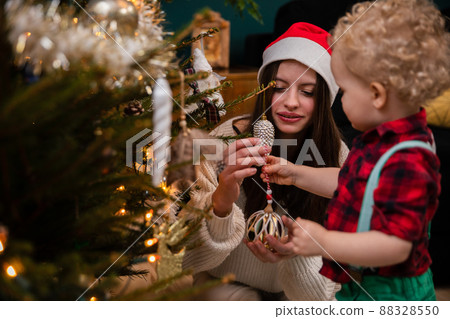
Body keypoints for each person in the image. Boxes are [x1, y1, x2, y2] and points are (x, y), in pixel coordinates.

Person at [262, 0, 450, 301]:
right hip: (360, 282)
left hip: (392, 292)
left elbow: (396, 245)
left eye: (345, 91)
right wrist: (296, 173)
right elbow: (352, 183)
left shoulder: (408, 157)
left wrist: (323, 241)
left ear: (376, 94)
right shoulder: (379, 139)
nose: (341, 102)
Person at [182, 22, 349, 300]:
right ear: (263, 91)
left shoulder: (338, 158)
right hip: (224, 285)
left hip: (294, 292)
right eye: (280, 88)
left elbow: (320, 296)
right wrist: (222, 201)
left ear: (324, 100)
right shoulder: (223, 140)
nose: (291, 102)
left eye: (307, 92)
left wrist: (294, 253)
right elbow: (195, 258)